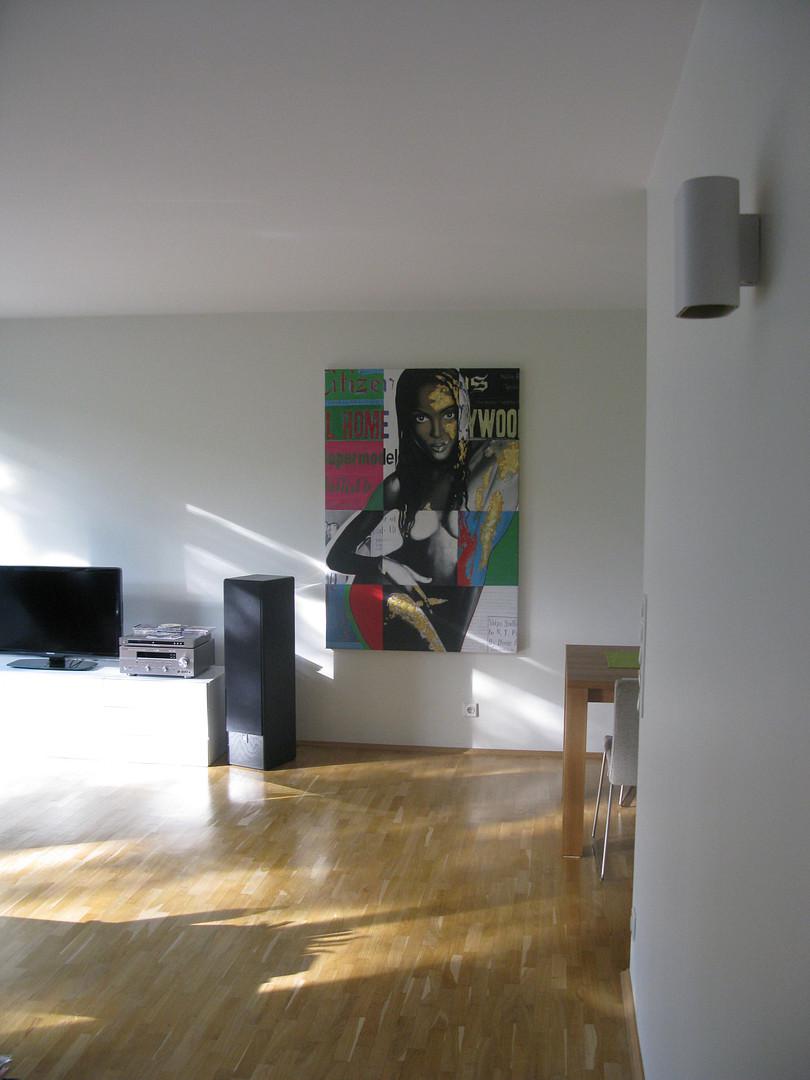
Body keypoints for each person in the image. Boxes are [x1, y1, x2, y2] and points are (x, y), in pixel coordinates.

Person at [326, 368, 518, 651]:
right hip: (396, 607)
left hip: (444, 630)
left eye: (448, 414)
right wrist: (385, 564)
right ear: (407, 421)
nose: (437, 432)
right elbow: (337, 557)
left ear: (462, 414)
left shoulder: (491, 465)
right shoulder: (399, 486)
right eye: (422, 418)